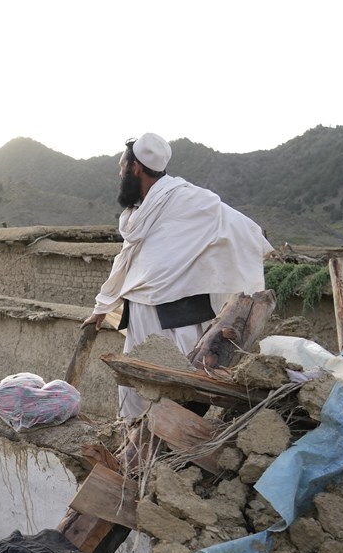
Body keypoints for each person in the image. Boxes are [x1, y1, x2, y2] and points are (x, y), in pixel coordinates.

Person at [82, 133, 274, 419]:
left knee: (174, 394)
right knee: (135, 390)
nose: (119, 171)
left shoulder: (188, 198)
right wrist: (101, 308)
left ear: (136, 167)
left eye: (122, 164)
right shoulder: (139, 212)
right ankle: (133, 453)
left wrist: (258, 249)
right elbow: (127, 260)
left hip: (178, 317)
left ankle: (170, 457)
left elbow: (243, 227)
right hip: (141, 313)